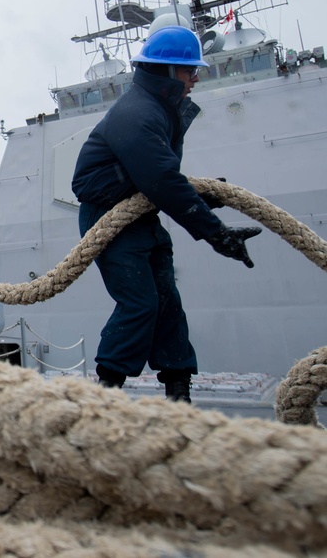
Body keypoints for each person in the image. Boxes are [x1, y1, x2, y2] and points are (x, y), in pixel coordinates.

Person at [71, 25, 261, 403]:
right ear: (169, 71)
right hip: (109, 219)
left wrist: (203, 196)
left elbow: (159, 179)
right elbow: (159, 179)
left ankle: (178, 390)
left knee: (167, 302)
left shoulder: (161, 108)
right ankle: (104, 396)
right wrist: (216, 233)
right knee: (140, 303)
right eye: (190, 70)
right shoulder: (138, 113)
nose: (195, 77)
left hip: (141, 214)